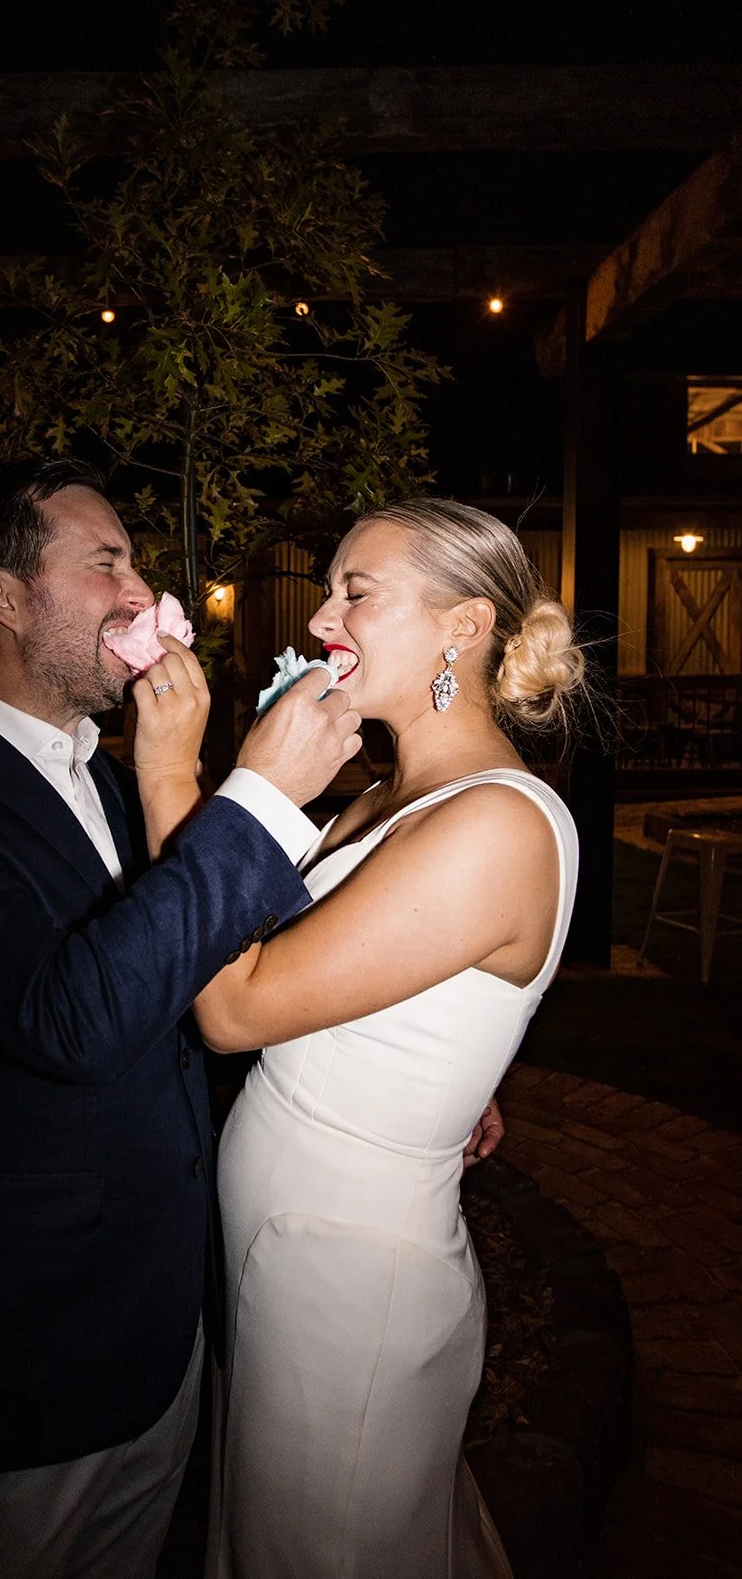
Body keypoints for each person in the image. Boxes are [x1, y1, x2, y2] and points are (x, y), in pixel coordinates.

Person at [0, 456, 363, 1579]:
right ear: (4, 597)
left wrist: (375, 1075)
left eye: (134, 562)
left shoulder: (108, 778)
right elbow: (72, 1019)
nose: (139, 591)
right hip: (12, 1358)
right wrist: (252, 795)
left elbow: (198, 989)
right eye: (104, 561)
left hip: (153, 1334)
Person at [133, 497, 584, 1578]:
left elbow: (232, 1007)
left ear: (459, 627)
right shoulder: (382, 791)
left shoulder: (494, 820)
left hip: (349, 1272)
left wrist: (171, 771)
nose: (323, 613)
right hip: (297, 1240)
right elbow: (330, 967)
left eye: (354, 590)